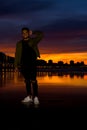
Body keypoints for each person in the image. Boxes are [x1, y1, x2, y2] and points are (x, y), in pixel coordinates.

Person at [14, 27, 43, 105]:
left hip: (32, 63)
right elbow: (17, 55)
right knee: (27, 80)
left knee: (33, 80)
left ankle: (36, 97)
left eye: (26, 32)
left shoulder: (33, 41)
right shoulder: (19, 43)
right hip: (23, 64)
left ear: (28, 33)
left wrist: (33, 32)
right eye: (23, 33)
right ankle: (29, 97)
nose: (24, 34)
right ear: (21, 34)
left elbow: (41, 35)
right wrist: (16, 65)